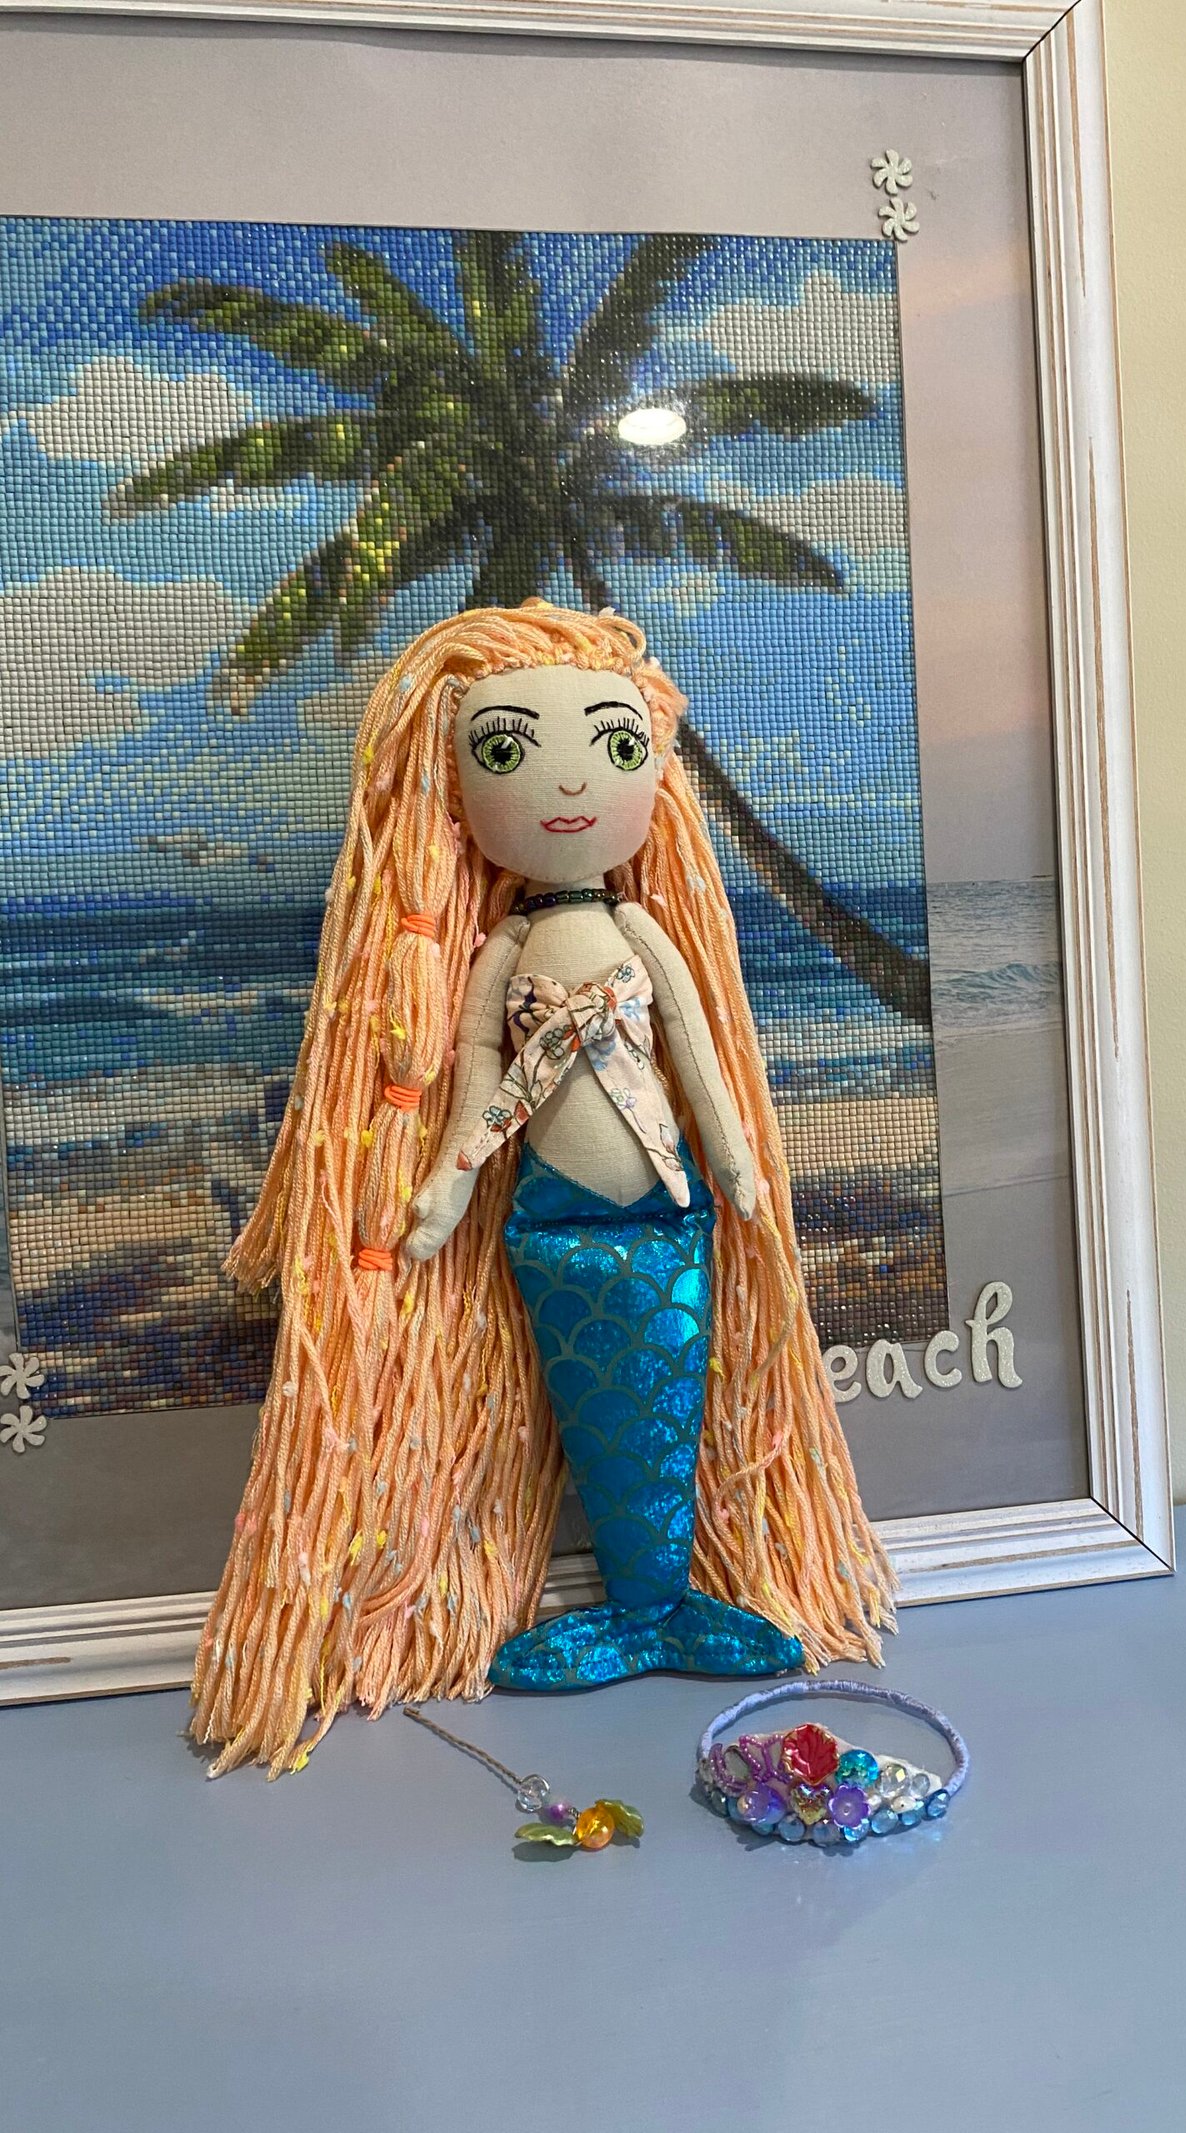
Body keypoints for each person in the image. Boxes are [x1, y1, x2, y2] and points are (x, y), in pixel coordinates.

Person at [192, 602, 891, 1776]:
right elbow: (474, 1070)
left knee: (667, 1382)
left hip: (666, 1213)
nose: (570, 783)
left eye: (613, 747)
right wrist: (448, 1186)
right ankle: (627, 1607)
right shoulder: (504, 954)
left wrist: (734, 1162)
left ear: (653, 772)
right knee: (588, 1392)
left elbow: (698, 1052)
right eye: (509, 752)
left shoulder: (641, 930)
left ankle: (667, 1602)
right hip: (549, 1223)